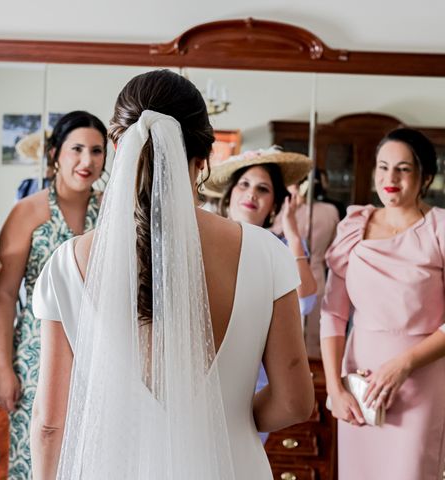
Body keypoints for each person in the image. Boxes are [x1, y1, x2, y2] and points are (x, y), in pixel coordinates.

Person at [29, 70, 314, 479]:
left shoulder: (67, 263)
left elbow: (50, 422)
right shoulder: (266, 254)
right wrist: (223, 418)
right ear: (203, 161)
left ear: (116, 146)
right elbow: (294, 402)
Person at [320, 128, 445, 479]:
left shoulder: (439, 229)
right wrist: (335, 386)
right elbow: (333, 312)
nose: (390, 178)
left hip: (420, 381)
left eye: (403, 169)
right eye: (383, 167)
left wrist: (403, 364)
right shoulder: (354, 226)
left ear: (426, 177)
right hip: (358, 378)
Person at [0, 110, 107, 479]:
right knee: (38, 460)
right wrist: (3, 367)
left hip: (99, 357)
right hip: (36, 358)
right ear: (56, 153)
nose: (87, 161)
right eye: (77, 149)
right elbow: (5, 295)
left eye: (97, 150)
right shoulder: (26, 213)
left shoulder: (112, 212)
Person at [203, 148, 317, 443]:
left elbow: (306, 299)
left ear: (275, 204)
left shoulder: (280, 248)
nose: (251, 194)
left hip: (255, 391)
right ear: (229, 194)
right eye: (244, 184)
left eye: (263, 189)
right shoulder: (201, 237)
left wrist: (292, 233)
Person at [271, 177, 340, 357]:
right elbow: (333, 248)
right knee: (313, 338)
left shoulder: (284, 212)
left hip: (293, 278)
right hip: (319, 276)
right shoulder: (330, 211)